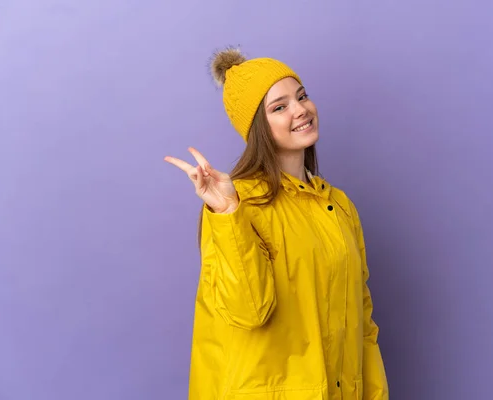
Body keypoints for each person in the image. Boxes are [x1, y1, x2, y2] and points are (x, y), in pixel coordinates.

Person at [164, 47, 389, 400]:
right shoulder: (239, 204)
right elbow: (249, 311)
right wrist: (228, 214)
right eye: (279, 106)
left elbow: (363, 324)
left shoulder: (339, 206)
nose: (300, 110)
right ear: (257, 127)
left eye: (302, 96)